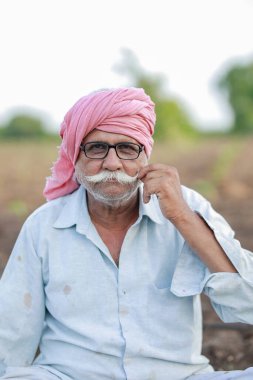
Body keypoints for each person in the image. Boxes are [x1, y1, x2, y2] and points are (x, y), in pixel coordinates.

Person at [0, 87, 253, 380]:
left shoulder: (187, 208)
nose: (112, 163)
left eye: (127, 148)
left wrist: (183, 218)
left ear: (145, 155)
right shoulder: (44, 226)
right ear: (74, 156)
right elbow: (11, 332)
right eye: (96, 148)